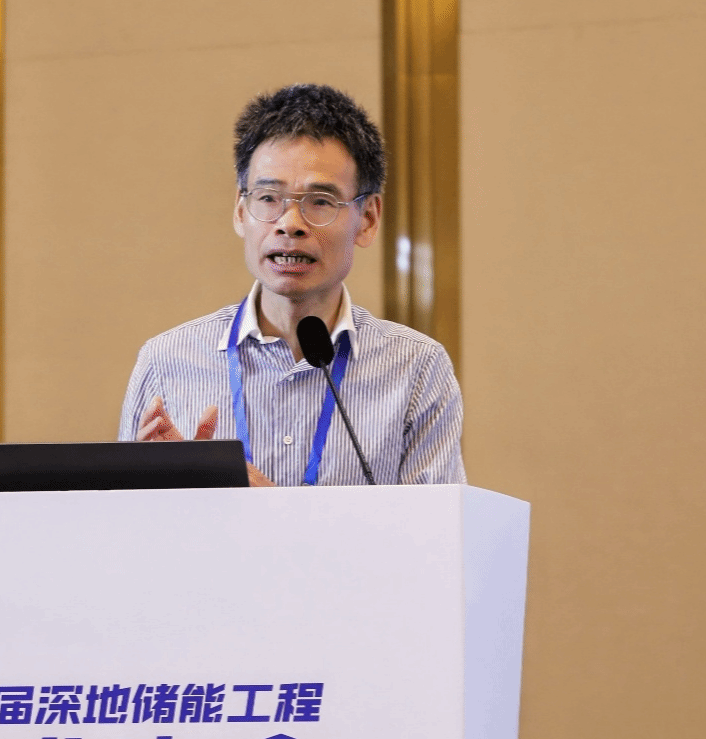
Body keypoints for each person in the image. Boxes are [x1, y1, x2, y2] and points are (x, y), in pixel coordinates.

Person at [117, 84, 464, 487]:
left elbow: (435, 527)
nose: (290, 223)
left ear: (368, 218)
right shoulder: (165, 362)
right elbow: (119, 523)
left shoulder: (417, 368)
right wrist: (162, 498)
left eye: (320, 201)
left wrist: (271, 508)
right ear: (240, 210)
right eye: (268, 197)